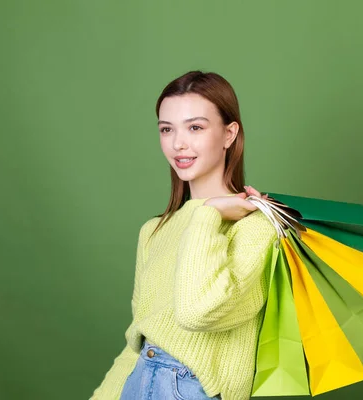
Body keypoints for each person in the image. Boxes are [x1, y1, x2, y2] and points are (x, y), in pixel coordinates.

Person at [89, 70, 278, 400]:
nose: (178, 143)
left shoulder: (256, 227)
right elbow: (139, 339)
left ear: (229, 134)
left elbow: (198, 312)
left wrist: (209, 214)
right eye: (166, 129)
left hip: (192, 388)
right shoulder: (154, 230)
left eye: (195, 127)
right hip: (137, 381)